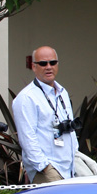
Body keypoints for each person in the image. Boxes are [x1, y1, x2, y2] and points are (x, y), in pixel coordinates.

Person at [13, 46, 79, 183]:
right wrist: (44, 167)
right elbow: (27, 138)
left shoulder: (62, 92)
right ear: (34, 67)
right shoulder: (27, 97)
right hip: (48, 170)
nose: (48, 67)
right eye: (43, 63)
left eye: (53, 63)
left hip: (69, 168)